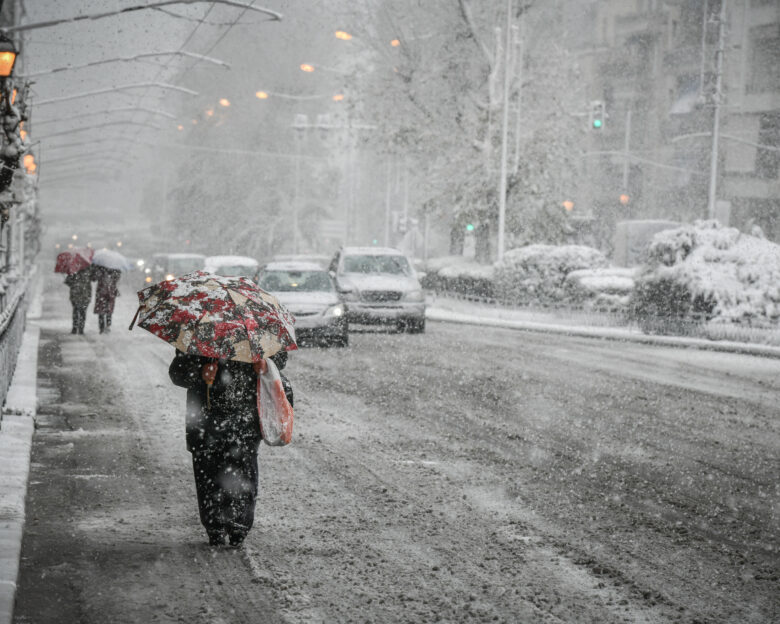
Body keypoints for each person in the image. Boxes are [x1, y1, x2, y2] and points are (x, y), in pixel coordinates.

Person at [168, 349, 293, 547]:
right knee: (208, 472)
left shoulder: (256, 329)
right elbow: (177, 372)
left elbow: (280, 358)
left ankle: (239, 524)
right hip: (205, 420)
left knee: (243, 468)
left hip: (245, 416)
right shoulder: (199, 333)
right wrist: (199, 373)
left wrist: (266, 364)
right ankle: (215, 525)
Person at [92, 266, 121, 334]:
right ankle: (103, 327)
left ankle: (106, 326)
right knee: (104, 311)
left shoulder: (113, 271)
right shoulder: (101, 270)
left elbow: (117, 279)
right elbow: (94, 278)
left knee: (107, 311)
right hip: (105, 293)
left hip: (107, 293)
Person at [64, 267, 92, 334]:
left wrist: (72, 282)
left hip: (75, 294)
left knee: (76, 311)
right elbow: (94, 279)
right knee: (83, 312)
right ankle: (81, 329)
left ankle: (75, 328)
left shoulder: (73, 271)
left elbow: (68, 282)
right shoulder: (89, 271)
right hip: (85, 295)